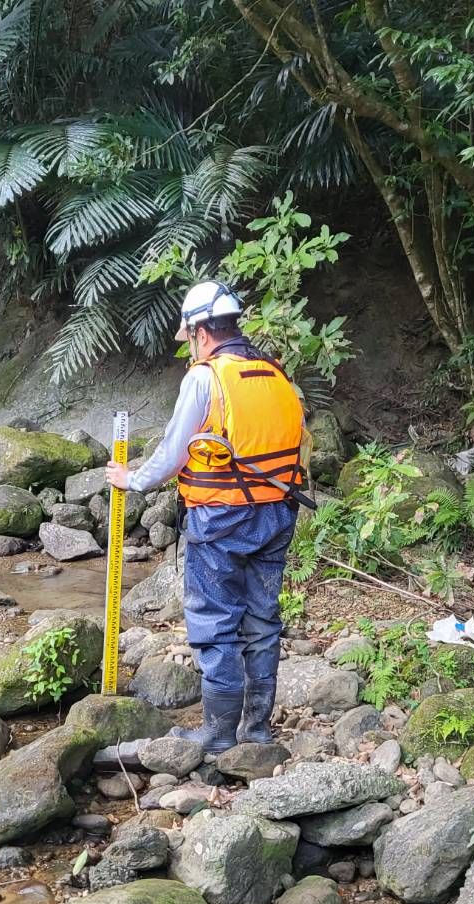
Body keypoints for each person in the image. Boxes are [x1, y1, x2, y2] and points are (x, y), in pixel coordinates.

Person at [107, 280, 306, 754]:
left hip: (220, 518)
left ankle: (217, 736)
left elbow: (173, 455)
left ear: (200, 331)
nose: (190, 346)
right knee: (261, 621)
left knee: (214, 622)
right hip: (277, 513)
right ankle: (256, 731)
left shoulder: (205, 378)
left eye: (189, 337)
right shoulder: (274, 373)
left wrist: (129, 478)